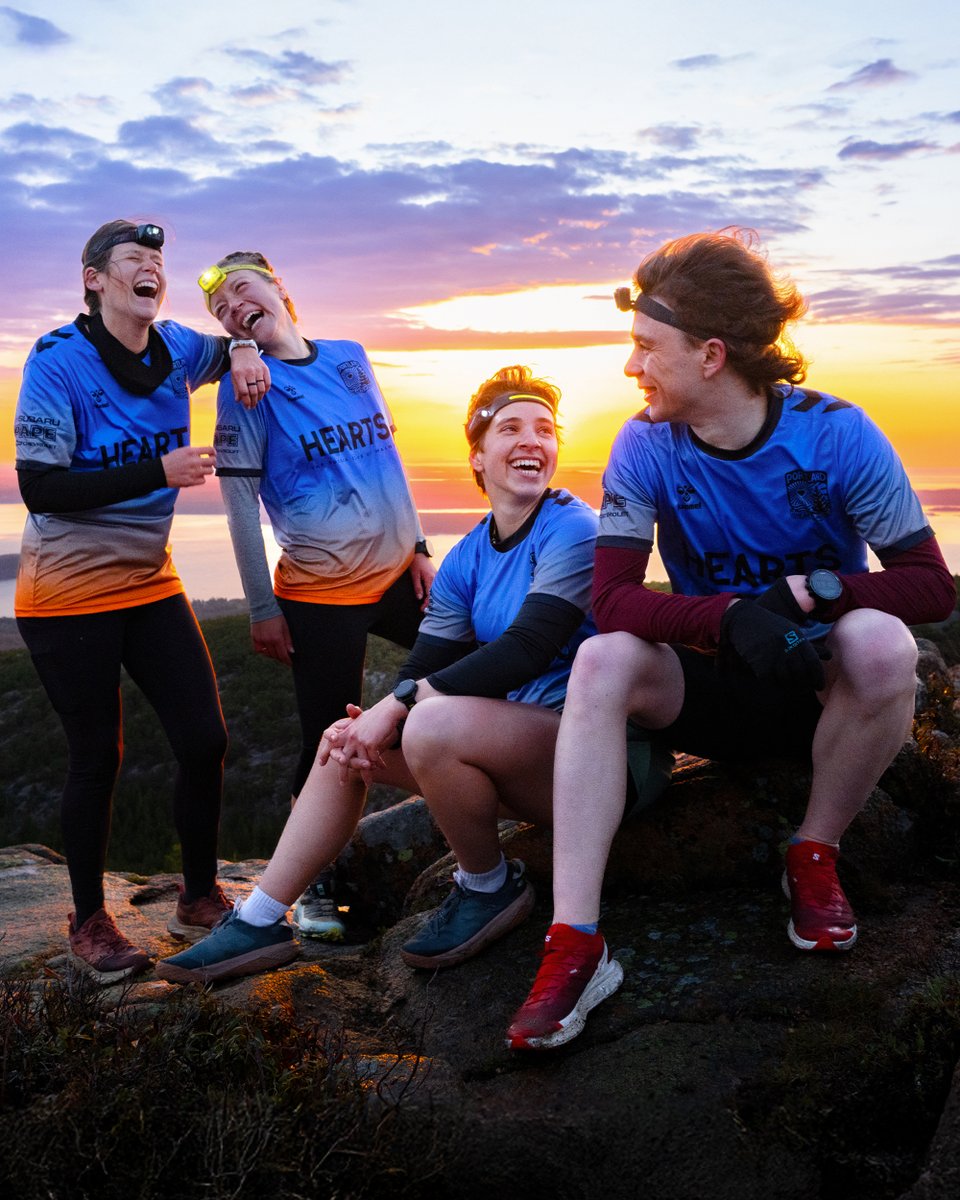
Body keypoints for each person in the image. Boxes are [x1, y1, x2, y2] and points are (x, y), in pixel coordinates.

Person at [506, 228, 957, 1052]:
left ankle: (813, 852)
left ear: (711, 354)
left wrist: (816, 593)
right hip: (712, 685)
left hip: (816, 691)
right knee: (602, 658)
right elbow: (609, 601)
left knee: (885, 645)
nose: (631, 366)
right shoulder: (645, 441)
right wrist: (726, 617)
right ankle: (576, 940)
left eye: (646, 346)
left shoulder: (836, 435)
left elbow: (931, 585)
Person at [156, 365, 603, 984]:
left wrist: (400, 707)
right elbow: (427, 661)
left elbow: (526, 649)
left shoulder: (573, 528)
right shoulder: (468, 555)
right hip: (526, 759)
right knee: (340, 744)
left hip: (596, 762)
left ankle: (488, 885)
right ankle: (258, 919)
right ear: (477, 456)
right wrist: (378, 718)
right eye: (511, 428)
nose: (532, 440)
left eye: (546, 430)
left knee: (427, 722)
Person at [14, 219, 271, 984]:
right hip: (66, 595)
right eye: (135, 259)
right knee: (99, 756)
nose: (152, 268)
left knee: (204, 739)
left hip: (150, 582)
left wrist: (249, 348)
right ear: (95, 279)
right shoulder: (58, 362)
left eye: (158, 260)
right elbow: (41, 488)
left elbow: (226, 348)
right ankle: (89, 921)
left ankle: (197, 895)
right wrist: (157, 472)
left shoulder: (176, 349)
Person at [195, 250, 435, 941]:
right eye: (220, 308)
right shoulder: (245, 390)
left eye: (244, 289)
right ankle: (312, 888)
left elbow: (390, 453)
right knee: (324, 740)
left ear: (280, 291)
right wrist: (262, 608)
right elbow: (239, 506)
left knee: (477, 661)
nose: (234, 304)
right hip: (320, 593)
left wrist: (419, 546)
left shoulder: (351, 356)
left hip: (397, 575)